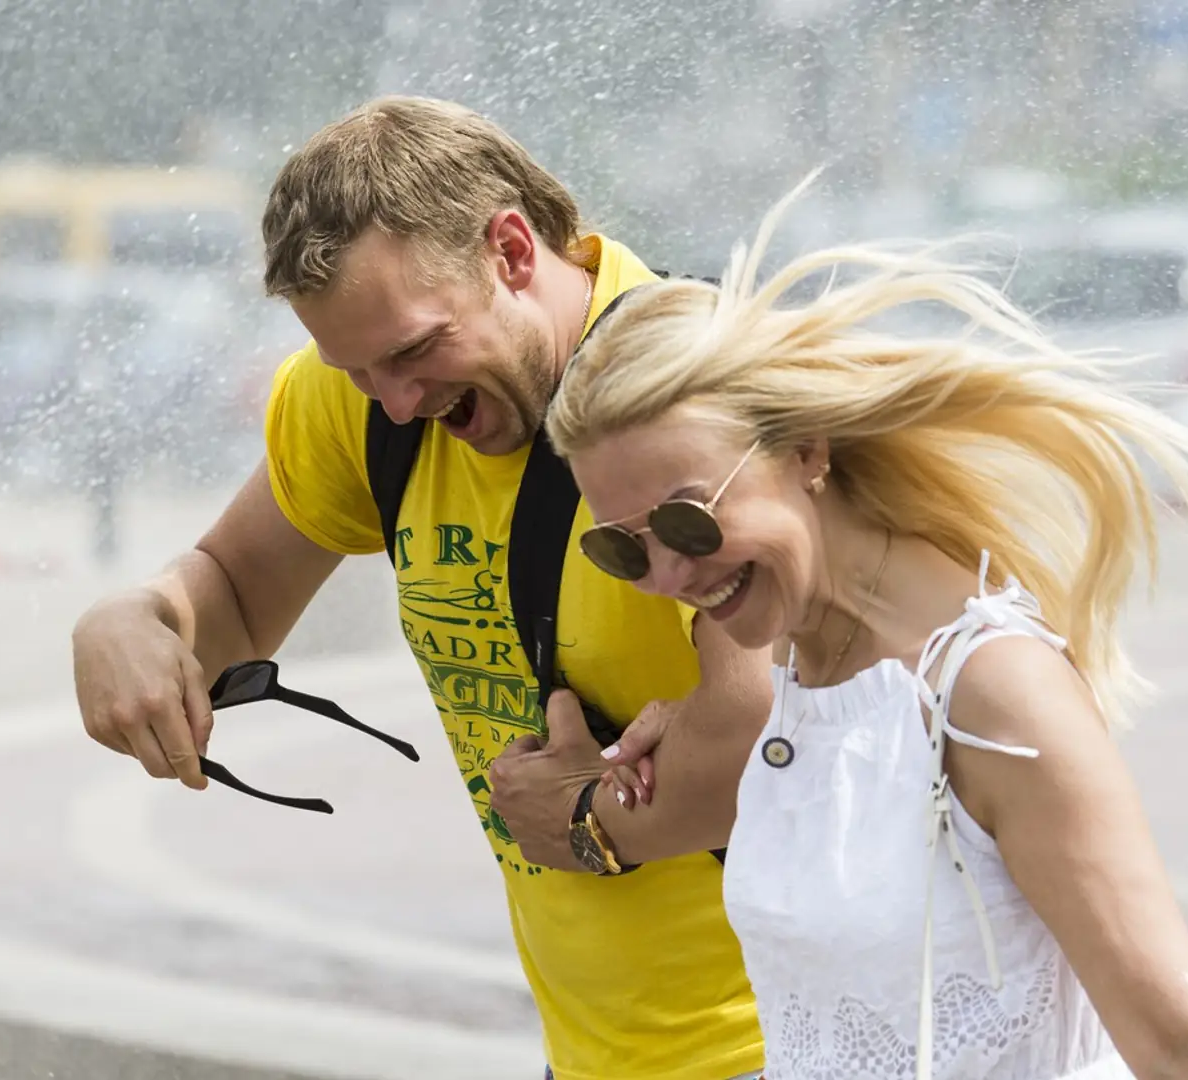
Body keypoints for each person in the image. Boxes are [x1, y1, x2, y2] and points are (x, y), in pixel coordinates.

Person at [68, 95, 771, 1080]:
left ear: (512, 253)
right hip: (596, 1053)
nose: (400, 403)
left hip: (794, 1039)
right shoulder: (368, 398)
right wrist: (134, 618)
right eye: (357, 374)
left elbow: (770, 754)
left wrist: (585, 823)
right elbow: (231, 591)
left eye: (413, 352)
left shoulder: (688, 390)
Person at [543, 178, 1188, 1080]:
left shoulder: (991, 691)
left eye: (691, 521)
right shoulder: (804, 664)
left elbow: (1182, 1042)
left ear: (807, 450)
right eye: (623, 551)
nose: (670, 577)